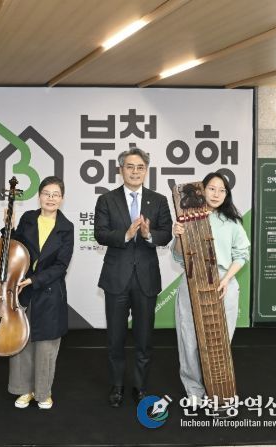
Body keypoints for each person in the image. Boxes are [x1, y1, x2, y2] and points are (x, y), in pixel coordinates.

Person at [94, 147, 173, 408]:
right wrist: (126, 234)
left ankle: (140, 386)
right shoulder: (106, 200)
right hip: (116, 278)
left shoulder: (158, 200)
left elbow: (166, 233)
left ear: (146, 171)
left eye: (140, 167)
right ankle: (117, 386)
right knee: (115, 339)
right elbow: (100, 233)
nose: (135, 171)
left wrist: (149, 235)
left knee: (144, 339)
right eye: (130, 166)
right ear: (121, 170)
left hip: (146, 279)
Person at [172, 172, 250, 402]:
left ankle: (217, 391)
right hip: (192, 280)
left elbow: (242, 255)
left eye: (222, 190)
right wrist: (178, 235)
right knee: (189, 338)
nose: (216, 194)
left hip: (224, 282)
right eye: (212, 188)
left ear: (227, 195)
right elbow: (178, 258)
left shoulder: (232, 222)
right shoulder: (188, 218)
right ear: (201, 190)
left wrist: (226, 280)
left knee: (219, 342)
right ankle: (194, 392)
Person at [7, 176, 74, 410]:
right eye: (46, 193)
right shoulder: (27, 218)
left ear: (62, 198)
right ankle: (24, 390)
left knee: (46, 346)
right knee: (22, 342)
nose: (51, 198)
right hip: (22, 290)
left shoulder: (66, 227)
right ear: (39, 196)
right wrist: (9, 227)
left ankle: (43, 392)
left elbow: (61, 265)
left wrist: (34, 280)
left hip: (49, 291)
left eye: (56, 194)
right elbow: (14, 248)